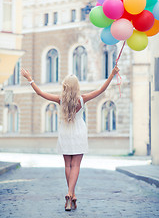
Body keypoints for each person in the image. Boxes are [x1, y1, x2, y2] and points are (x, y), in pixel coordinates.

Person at [21, 65, 119, 211]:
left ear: (65, 86)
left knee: (68, 165)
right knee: (76, 165)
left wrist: (30, 79)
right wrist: (112, 74)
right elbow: (101, 90)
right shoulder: (83, 99)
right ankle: (69, 193)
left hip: (65, 131)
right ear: (77, 86)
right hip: (79, 131)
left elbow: (40, 93)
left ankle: (71, 195)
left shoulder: (60, 99)